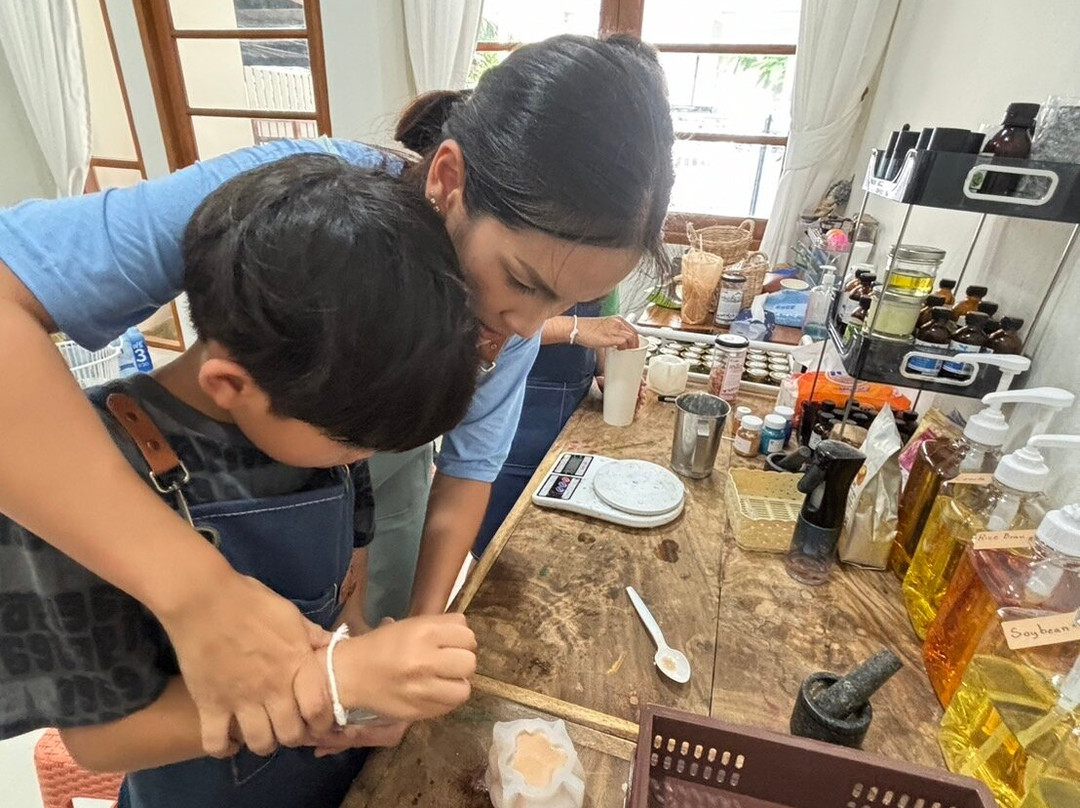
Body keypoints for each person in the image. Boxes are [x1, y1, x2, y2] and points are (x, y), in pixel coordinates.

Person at [0, 33, 674, 755]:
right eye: (523, 284)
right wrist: (200, 593)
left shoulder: (357, 444)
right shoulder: (303, 210)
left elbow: (467, 469)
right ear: (448, 179)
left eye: (562, 306)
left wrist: (410, 631)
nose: (520, 330)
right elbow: (106, 739)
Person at [0, 154, 479, 807]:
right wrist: (333, 682)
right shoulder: (79, 479)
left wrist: (368, 682)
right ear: (232, 386)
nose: (357, 463)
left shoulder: (329, 435)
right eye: (352, 447)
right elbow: (102, 742)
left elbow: (346, 598)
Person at [472, 296, 639, 557]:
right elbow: (498, 329)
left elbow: (602, 325)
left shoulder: (605, 262)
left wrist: (608, 373)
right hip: (521, 407)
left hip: (571, 409)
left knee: (551, 538)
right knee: (494, 545)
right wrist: (574, 328)